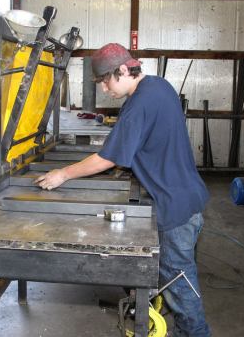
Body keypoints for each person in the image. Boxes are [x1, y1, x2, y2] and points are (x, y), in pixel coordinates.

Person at [35, 43, 211, 336]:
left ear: (124, 70)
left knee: (179, 281)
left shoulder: (140, 102)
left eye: (106, 80)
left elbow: (108, 156)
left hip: (175, 206)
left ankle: (197, 333)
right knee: (177, 279)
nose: (105, 89)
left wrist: (63, 174)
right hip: (188, 195)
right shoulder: (158, 86)